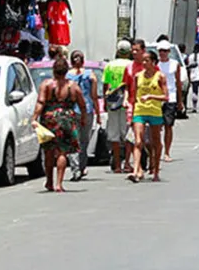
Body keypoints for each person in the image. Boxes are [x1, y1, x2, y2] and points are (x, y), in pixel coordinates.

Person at [31, 56, 87, 193]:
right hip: (67, 119)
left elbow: (41, 102)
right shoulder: (73, 86)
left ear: (54, 70)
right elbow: (82, 105)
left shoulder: (47, 85)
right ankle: (59, 183)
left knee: (49, 151)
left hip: (49, 119)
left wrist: (34, 117)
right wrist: (83, 118)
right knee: (62, 151)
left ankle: (49, 181)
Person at [129, 49, 167, 182]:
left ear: (153, 62)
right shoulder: (138, 76)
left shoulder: (160, 76)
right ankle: (136, 171)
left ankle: (156, 170)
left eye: (147, 60)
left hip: (154, 112)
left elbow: (165, 96)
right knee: (138, 141)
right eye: (143, 60)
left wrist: (151, 96)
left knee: (156, 142)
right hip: (140, 111)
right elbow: (133, 95)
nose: (144, 63)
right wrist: (131, 112)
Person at [67, 50, 100, 181]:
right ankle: (81, 167)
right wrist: (97, 112)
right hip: (87, 110)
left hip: (72, 110)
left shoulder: (67, 76)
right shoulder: (90, 75)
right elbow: (94, 96)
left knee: (74, 140)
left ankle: (76, 168)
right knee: (84, 140)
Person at [102, 40, 133, 173]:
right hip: (128, 101)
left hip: (113, 102)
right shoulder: (131, 65)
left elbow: (106, 85)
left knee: (114, 134)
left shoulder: (110, 65)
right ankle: (127, 162)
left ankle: (117, 165)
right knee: (127, 133)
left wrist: (105, 101)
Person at [156, 40, 183, 162]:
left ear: (169, 52)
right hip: (156, 97)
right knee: (156, 126)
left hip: (171, 97)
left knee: (168, 125)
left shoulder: (174, 64)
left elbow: (178, 82)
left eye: (165, 51)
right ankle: (156, 151)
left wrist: (180, 101)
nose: (163, 53)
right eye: (161, 51)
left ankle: (167, 152)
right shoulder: (155, 64)